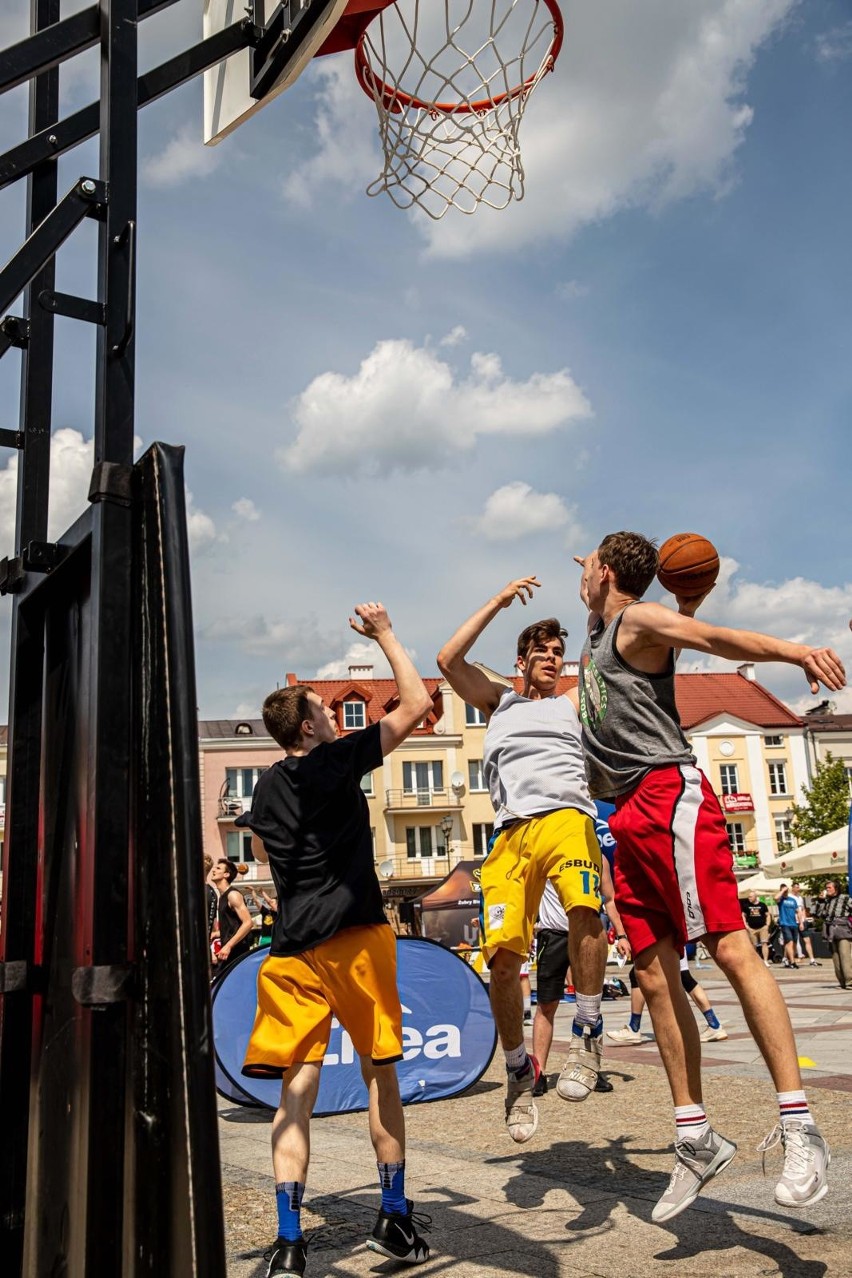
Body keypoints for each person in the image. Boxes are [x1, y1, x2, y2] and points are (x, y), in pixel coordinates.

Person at [576, 531, 844, 1221]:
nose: (582, 576)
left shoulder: (636, 621)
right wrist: (675, 585)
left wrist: (794, 651)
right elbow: (684, 608)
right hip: (624, 814)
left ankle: (801, 1129)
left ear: (606, 572)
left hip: (668, 797)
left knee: (729, 947)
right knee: (654, 977)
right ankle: (695, 1137)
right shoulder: (603, 625)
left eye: (589, 567)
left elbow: (714, 638)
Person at [236, 602, 434, 1278]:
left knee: (297, 1090)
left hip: (290, 948)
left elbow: (263, 845)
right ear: (307, 725)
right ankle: (394, 1218)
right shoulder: (333, 762)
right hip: (354, 936)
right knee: (382, 1077)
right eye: (325, 709)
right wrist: (383, 634)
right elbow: (416, 703)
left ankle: (290, 1243)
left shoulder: (264, 789)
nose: (335, 717)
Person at [437, 579, 609, 1145]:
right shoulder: (499, 702)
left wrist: (598, 604)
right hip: (511, 835)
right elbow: (447, 659)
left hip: (567, 817)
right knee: (504, 960)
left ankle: (586, 1033)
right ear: (521, 662)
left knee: (585, 907)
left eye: (559, 653)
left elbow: (616, 653)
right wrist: (497, 601)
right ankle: (516, 1073)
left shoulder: (573, 703)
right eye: (543, 652)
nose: (554, 660)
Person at [533, 859, 629, 1095]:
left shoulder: (597, 854)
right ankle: (539, 1072)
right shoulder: (548, 848)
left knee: (591, 1003)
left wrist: (622, 934)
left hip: (588, 934)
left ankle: (591, 1069)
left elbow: (609, 898)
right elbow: (529, 895)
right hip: (553, 933)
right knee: (547, 1004)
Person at [607, 956, 727, 1044]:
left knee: (684, 978)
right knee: (684, 978)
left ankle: (634, 1028)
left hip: (665, 937)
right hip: (672, 935)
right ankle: (714, 1025)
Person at [210, 859, 254, 968]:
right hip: (228, 953)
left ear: (226, 874)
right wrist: (216, 934)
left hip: (237, 953)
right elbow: (233, 926)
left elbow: (248, 923)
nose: (213, 870)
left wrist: (229, 945)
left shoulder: (233, 894)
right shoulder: (222, 897)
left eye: (218, 868)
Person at [812, 880, 852, 989]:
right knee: (835, 957)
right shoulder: (826, 901)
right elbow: (816, 914)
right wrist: (819, 901)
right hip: (830, 930)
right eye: (826, 887)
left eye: (829, 887)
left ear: (836, 888)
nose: (827, 889)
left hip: (843, 929)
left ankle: (850, 981)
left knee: (845, 955)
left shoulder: (845, 898)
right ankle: (842, 982)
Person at [790, 883, 821, 966]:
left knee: (807, 940)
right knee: (793, 942)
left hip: (802, 922)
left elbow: (802, 909)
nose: (798, 889)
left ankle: (812, 959)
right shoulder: (790, 898)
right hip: (793, 922)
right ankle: (791, 960)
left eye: (798, 887)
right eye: (796, 887)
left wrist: (804, 919)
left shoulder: (800, 898)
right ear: (792, 888)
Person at [775, 884, 802, 969]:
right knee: (789, 942)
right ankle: (793, 962)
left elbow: (798, 911)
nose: (786, 890)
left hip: (794, 924)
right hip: (785, 924)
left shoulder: (792, 900)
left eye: (786, 889)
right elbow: (775, 898)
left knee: (794, 943)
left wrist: (800, 923)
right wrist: (782, 891)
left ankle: (789, 959)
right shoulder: (781, 899)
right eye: (783, 889)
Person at [741, 891, 771, 965]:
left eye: (751, 897)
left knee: (764, 943)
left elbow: (768, 915)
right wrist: (746, 925)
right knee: (753, 945)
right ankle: (755, 961)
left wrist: (767, 925)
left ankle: (765, 961)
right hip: (751, 928)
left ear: (755, 897)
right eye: (749, 897)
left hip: (762, 927)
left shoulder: (762, 905)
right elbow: (743, 915)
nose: (749, 898)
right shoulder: (746, 905)